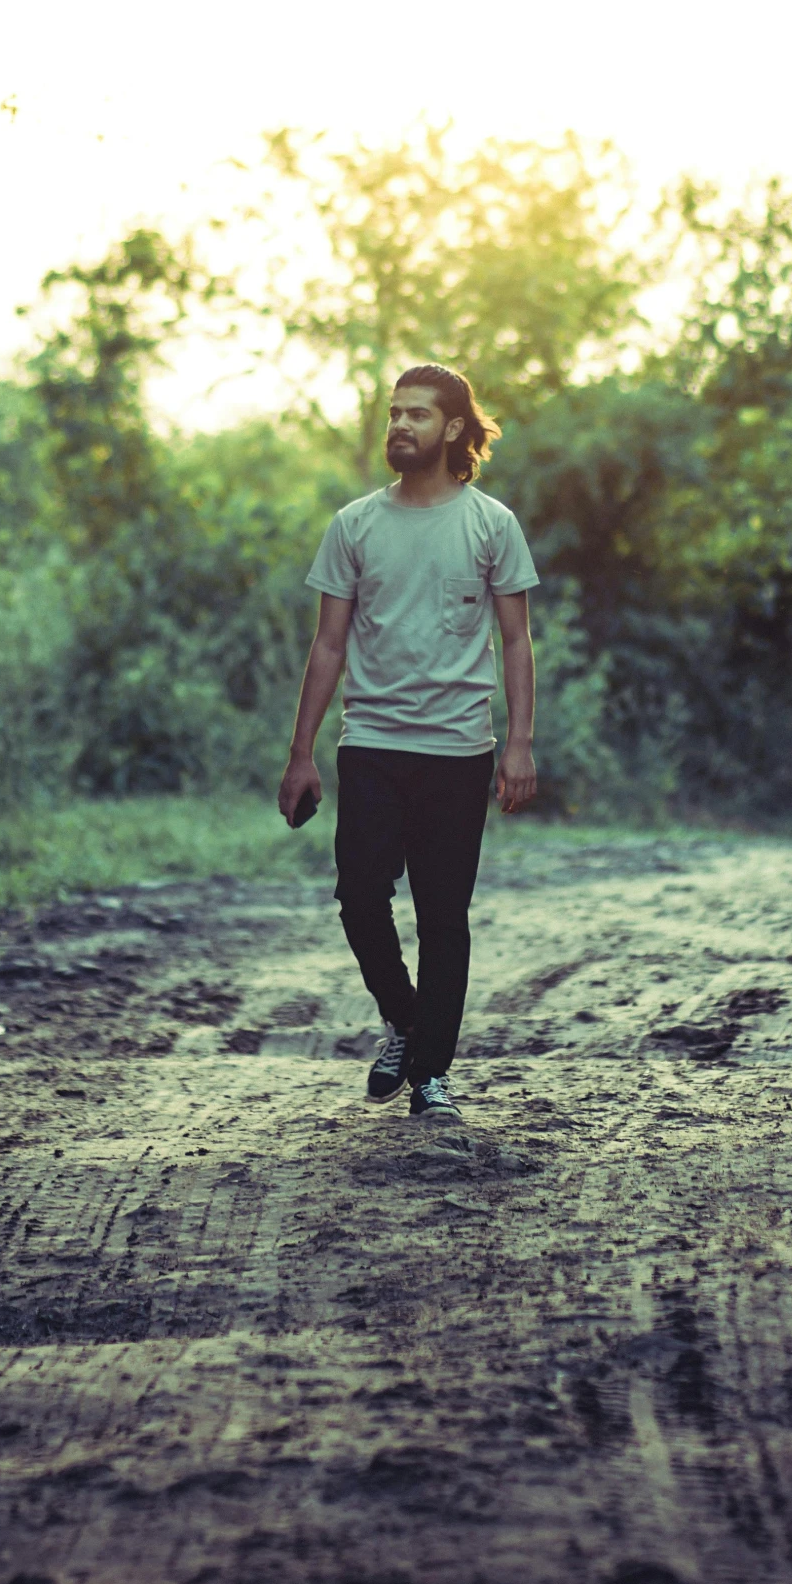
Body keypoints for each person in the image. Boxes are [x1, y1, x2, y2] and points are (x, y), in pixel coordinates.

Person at [278, 363, 540, 1125]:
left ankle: (430, 1075)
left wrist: (518, 744)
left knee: (442, 917)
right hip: (372, 744)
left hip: (459, 750)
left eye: (418, 414)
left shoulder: (491, 524)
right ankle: (404, 1018)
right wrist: (302, 754)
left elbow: (516, 640)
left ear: (453, 429)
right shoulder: (353, 524)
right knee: (359, 899)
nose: (400, 425)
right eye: (394, 413)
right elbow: (326, 647)